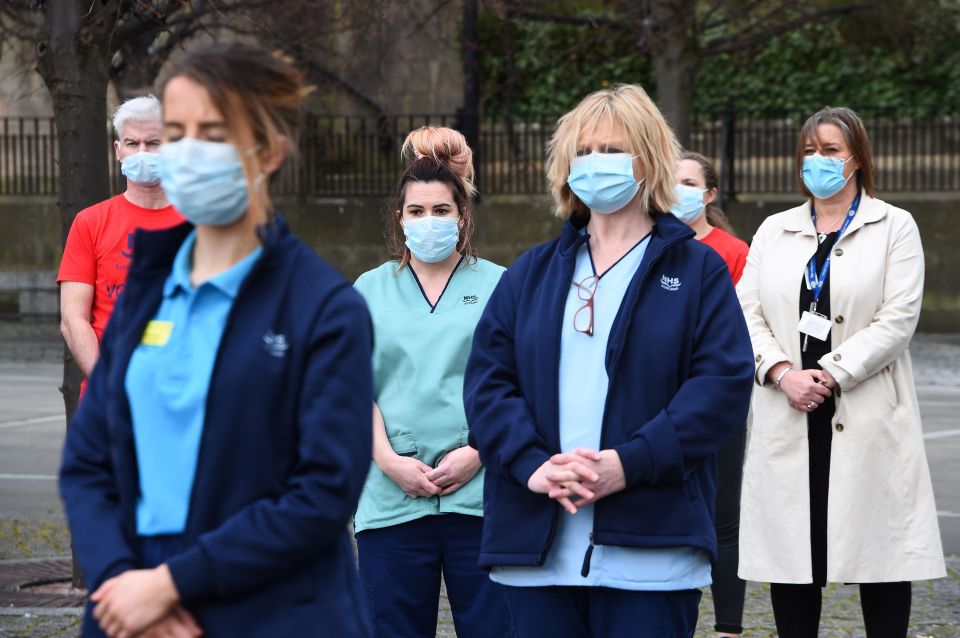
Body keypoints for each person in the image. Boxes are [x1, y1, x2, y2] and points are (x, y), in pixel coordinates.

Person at [59, 43, 374, 638]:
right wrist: (121, 584)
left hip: (273, 616)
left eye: (214, 132)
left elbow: (323, 494)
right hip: (128, 615)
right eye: (176, 132)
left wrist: (170, 585)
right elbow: (87, 464)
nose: (186, 152)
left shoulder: (325, 308)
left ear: (269, 150)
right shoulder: (147, 292)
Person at [463, 84, 754, 638]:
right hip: (537, 551)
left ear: (648, 160)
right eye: (585, 151)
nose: (597, 164)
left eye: (613, 149)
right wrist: (532, 465)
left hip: (653, 549)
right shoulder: (531, 272)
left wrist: (630, 463)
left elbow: (720, 388)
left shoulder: (697, 272)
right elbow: (488, 384)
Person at [736, 106, 946, 638]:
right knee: (792, 559)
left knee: (879, 558)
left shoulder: (894, 226)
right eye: (809, 151)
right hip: (789, 408)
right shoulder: (773, 230)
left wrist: (828, 373)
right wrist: (783, 372)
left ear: (857, 158)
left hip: (863, 408)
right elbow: (746, 311)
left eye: (830, 150)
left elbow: (897, 319)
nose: (817, 161)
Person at [352, 126, 512, 638]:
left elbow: (519, 383)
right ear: (399, 220)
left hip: (482, 494)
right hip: (392, 497)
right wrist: (387, 461)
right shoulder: (370, 289)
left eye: (441, 210)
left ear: (462, 216)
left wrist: (479, 451)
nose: (429, 221)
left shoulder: (501, 285)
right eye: (416, 212)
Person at [671, 151, 750, 638]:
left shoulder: (735, 252)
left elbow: (737, 333)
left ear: (710, 193)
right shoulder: (650, 245)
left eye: (689, 182)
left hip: (718, 408)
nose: (679, 189)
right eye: (672, 180)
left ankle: (728, 627)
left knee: (723, 519)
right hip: (662, 406)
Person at [57, 95, 183, 398]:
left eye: (153, 143)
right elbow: (73, 319)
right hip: (107, 403)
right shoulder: (90, 222)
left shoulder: (201, 224)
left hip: (181, 401)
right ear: (118, 151)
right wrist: (110, 385)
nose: (142, 152)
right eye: (132, 143)